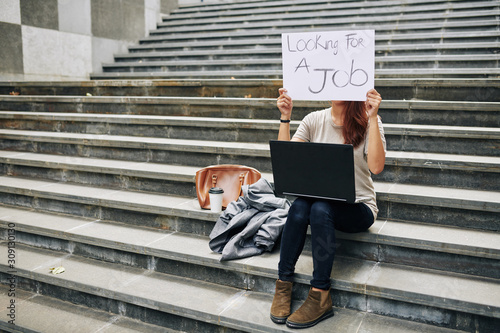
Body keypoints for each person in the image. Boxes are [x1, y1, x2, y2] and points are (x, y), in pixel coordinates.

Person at [270, 88, 385, 329]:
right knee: (300, 206)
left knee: (320, 208)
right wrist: (285, 117)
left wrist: (373, 117)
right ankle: (283, 284)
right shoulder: (314, 120)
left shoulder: (367, 120)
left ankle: (320, 294)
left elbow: (376, 167)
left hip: (359, 207)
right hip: (317, 204)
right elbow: (287, 162)